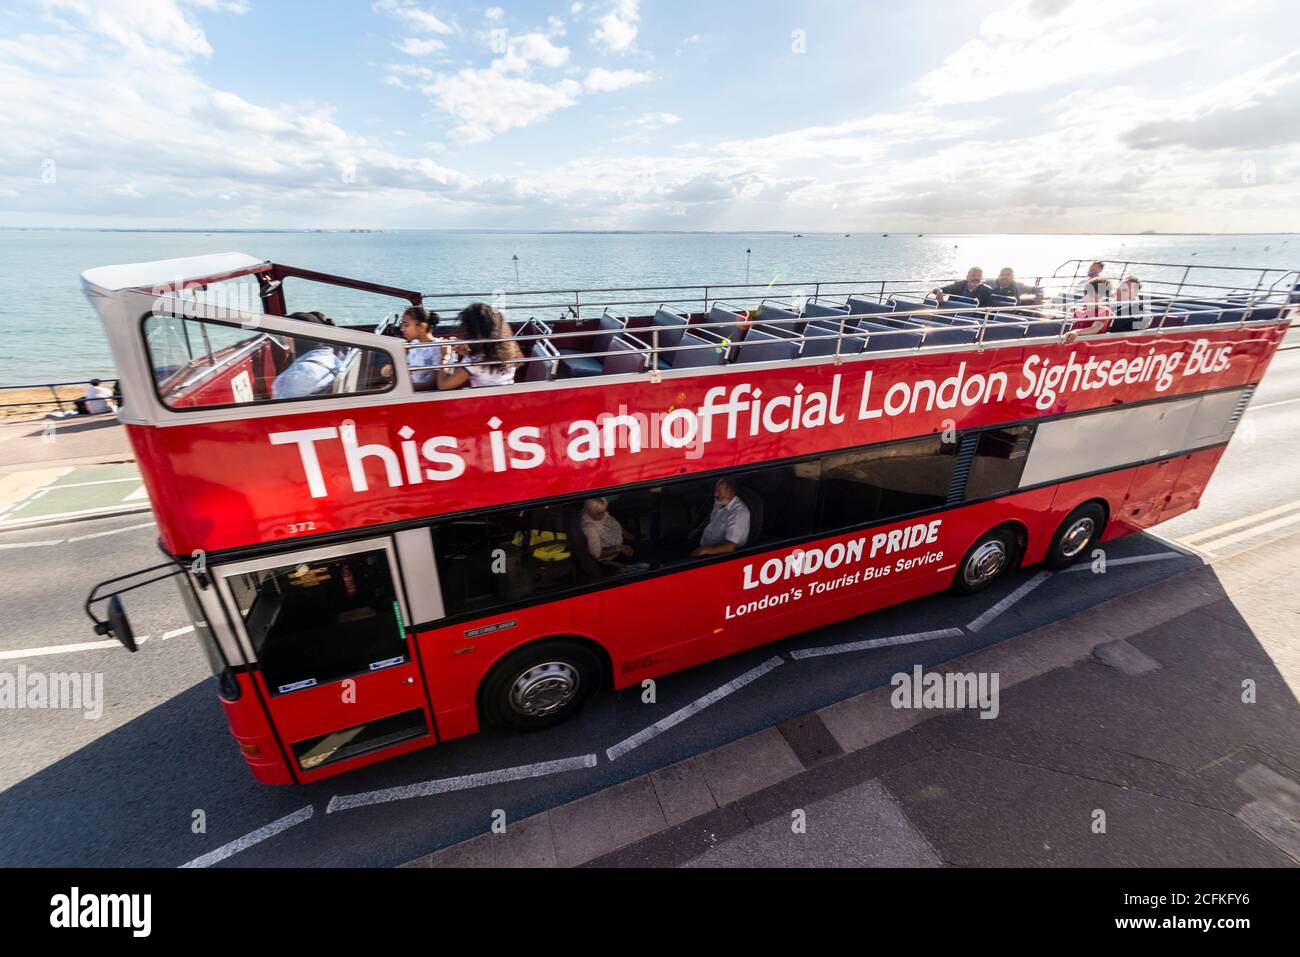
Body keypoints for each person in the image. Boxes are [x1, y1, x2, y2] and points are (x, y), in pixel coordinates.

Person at [435, 302, 523, 390]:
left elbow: (444, 385)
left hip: (484, 401)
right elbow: (487, 368)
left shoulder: (474, 361)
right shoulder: (509, 350)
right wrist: (468, 353)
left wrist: (445, 357)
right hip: (506, 398)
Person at [271, 312, 344, 399]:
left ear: (296, 338)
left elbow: (280, 407)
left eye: (286, 335)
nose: (285, 339)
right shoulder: (334, 359)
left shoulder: (301, 372)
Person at [690, 477, 751, 557]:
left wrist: (703, 550)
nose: (715, 494)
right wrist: (697, 530)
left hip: (716, 555)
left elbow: (730, 546)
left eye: (719, 491)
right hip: (702, 544)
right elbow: (711, 517)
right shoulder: (721, 501)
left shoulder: (739, 513)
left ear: (730, 492)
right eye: (716, 490)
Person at [580, 497, 637, 564]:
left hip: (620, 542)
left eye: (605, 510)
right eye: (599, 513)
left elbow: (614, 525)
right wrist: (619, 548)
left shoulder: (598, 511)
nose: (604, 514)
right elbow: (596, 554)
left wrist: (631, 537)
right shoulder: (590, 528)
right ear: (590, 512)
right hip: (613, 557)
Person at [398, 306, 443, 392]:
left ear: (422, 327)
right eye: (402, 325)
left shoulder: (438, 348)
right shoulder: (414, 344)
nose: (402, 329)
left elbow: (434, 383)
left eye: (406, 325)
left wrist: (404, 388)